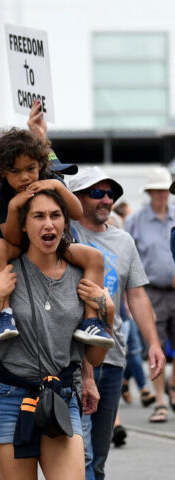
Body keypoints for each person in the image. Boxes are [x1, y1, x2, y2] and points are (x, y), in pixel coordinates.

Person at [0, 189, 114, 480]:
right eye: (38, 216)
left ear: (65, 223)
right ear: (24, 225)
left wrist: (106, 310)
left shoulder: (81, 272)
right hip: (8, 396)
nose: (48, 224)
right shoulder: (0, 269)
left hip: (60, 397)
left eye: (55, 215)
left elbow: (95, 358)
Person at [68, 166, 165, 479]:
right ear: (78, 198)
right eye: (97, 192)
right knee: (79, 454)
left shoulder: (124, 241)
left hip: (112, 358)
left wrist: (153, 345)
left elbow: (136, 297)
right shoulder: (65, 233)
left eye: (111, 193)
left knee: (97, 458)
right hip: (71, 357)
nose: (106, 199)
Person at [0, 127, 112, 347]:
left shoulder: (51, 180)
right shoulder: (1, 196)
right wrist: (15, 206)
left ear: (40, 165)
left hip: (56, 244)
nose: (25, 177)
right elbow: (12, 238)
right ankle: (5, 315)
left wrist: (56, 187)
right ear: (3, 173)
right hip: (19, 245)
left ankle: (91, 321)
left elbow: (77, 213)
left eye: (30, 168)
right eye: (15, 171)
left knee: (94, 257)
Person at [124, 167, 175, 417]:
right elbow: (126, 256)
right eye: (156, 191)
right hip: (151, 290)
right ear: (150, 192)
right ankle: (161, 401)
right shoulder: (136, 220)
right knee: (157, 344)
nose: (161, 196)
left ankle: (172, 384)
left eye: (164, 191)